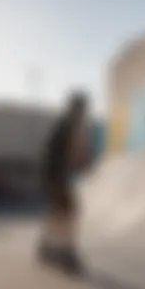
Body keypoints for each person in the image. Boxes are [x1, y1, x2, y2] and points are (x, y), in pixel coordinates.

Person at [37, 90, 91, 275]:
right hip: (56, 173)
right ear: (81, 108)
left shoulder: (62, 121)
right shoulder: (73, 123)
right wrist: (86, 166)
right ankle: (66, 252)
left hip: (46, 172)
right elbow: (76, 149)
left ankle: (45, 247)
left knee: (57, 211)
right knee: (70, 211)